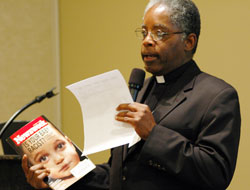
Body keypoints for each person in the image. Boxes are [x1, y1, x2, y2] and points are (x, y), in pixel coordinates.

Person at [22, 0, 241, 189]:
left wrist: (154, 135)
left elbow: (216, 173)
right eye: (144, 32)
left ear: (189, 41)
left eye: (159, 33)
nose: (147, 40)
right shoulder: (139, 90)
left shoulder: (217, 96)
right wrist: (60, 178)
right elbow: (118, 175)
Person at [21, 118, 81, 190]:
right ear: (33, 168)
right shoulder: (46, 187)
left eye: (60, 146)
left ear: (70, 143)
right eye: (43, 158)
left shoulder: (97, 173)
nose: (59, 159)